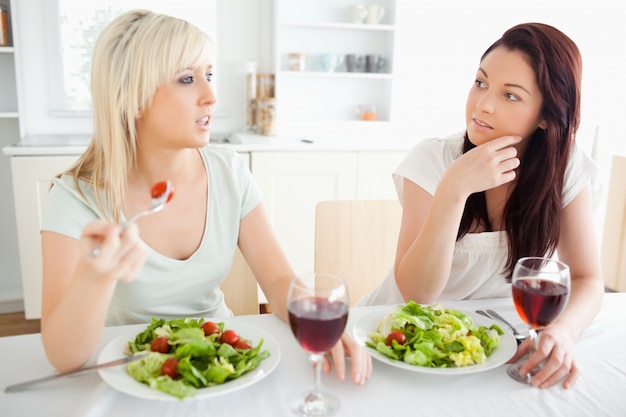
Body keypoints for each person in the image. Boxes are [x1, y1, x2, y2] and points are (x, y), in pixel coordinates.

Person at [40, 9, 372, 385]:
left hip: (223, 365)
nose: (211, 95)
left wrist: (319, 322)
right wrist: (94, 279)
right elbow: (63, 357)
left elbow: (279, 280)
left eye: (209, 75)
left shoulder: (228, 171)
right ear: (131, 99)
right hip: (137, 375)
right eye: (187, 79)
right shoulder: (75, 200)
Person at [357, 23, 604, 389]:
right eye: (481, 82)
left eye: (511, 96)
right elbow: (416, 293)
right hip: (398, 340)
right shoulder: (434, 158)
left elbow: (587, 279)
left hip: (489, 346)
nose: (483, 104)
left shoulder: (564, 167)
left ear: (548, 115)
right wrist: (454, 190)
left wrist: (564, 331)